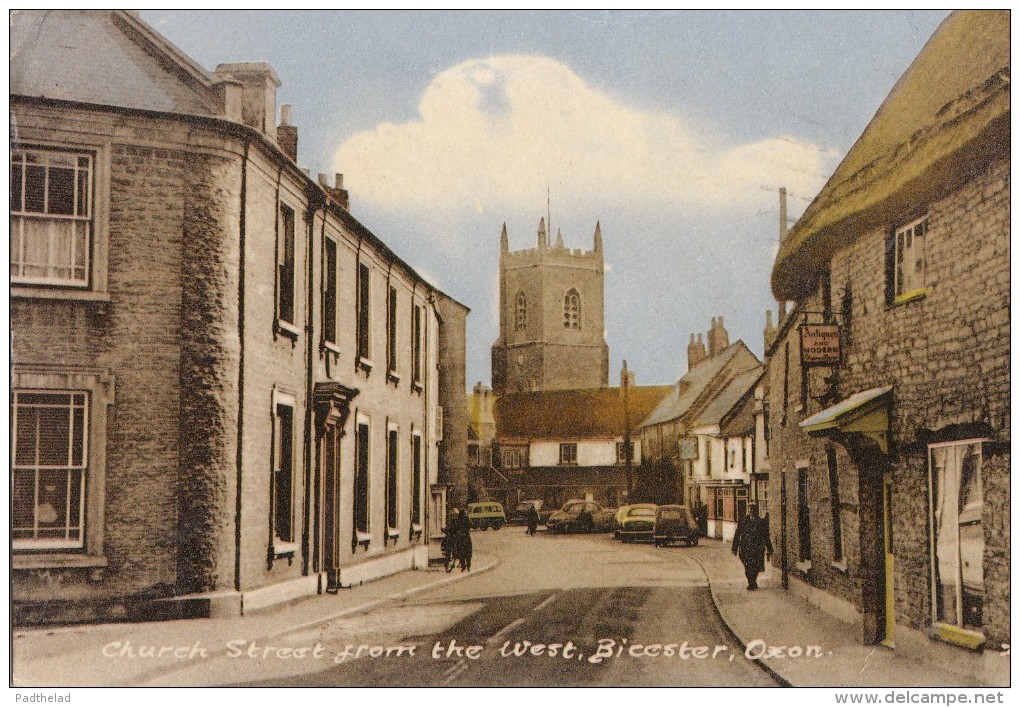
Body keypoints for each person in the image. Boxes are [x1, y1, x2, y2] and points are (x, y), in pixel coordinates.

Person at [731, 503, 774, 590]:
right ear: (748, 510)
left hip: (757, 548)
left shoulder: (761, 522)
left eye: (753, 509)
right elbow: (737, 534)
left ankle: (752, 582)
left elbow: (766, 536)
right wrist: (734, 548)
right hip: (745, 548)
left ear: (756, 511)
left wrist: (769, 548)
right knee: (747, 566)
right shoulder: (743, 520)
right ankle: (752, 582)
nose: (751, 511)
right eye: (750, 509)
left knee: (755, 566)